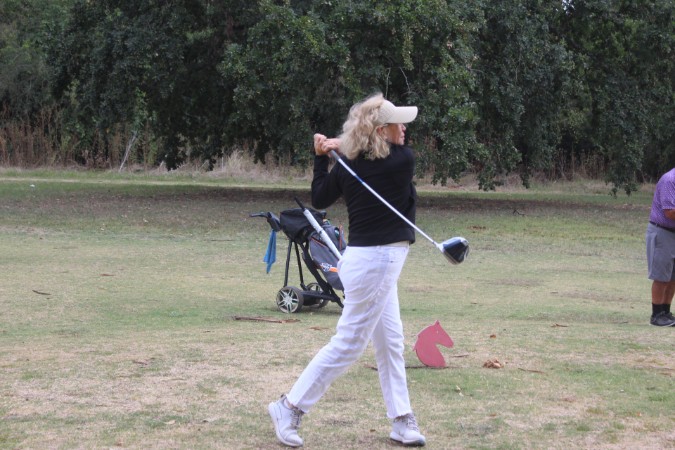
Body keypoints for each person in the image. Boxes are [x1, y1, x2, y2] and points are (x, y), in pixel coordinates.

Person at [268, 93, 427, 447]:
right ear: (381, 131)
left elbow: (320, 194)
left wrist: (323, 156)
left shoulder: (351, 165)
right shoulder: (400, 161)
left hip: (370, 262)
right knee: (350, 344)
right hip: (375, 264)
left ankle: (401, 418)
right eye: (397, 124)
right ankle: (289, 407)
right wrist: (339, 150)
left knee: (390, 341)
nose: (404, 129)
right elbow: (324, 197)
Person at [646, 167, 675, 327]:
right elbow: (669, 212)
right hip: (662, 231)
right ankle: (656, 315)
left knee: (672, 277)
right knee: (661, 275)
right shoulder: (670, 180)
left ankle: (665, 312)